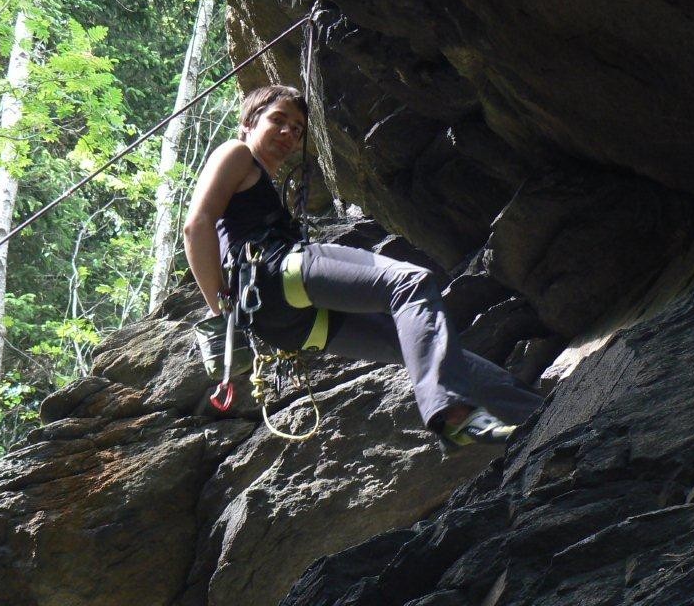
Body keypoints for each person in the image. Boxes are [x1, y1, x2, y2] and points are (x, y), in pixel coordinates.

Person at [183, 84, 543, 450]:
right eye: (278, 119)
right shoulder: (237, 151)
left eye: (297, 128)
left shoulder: (263, 183)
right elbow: (196, 225)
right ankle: (452, 412)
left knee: (419, 344)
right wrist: (220, 313)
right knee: (410, 284)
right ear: (248, 122)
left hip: (289, 325)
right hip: (277, 273)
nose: (289, 132)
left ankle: (535, 413)